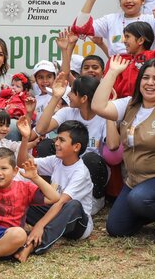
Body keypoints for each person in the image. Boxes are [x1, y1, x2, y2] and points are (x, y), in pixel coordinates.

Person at [92, 56, 155, 243]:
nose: (150, 83)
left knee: (139, 198)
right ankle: (153, 205)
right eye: (145, 77)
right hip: (135, 181)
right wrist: (112, 73)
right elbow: (98, 106)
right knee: (117, 228)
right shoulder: (130, 105)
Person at [15, 120, 94, 261]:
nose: (56, 143)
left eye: (61, 140)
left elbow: (61, 203)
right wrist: (25, 139)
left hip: (77, 225)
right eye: (56, 138)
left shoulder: (80, 172)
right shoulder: (56, 161)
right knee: (25, 196)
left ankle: (32, 245)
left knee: (73, 204)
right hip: (54, 214)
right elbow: (22, 164)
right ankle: (13, 234)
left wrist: (39, 225)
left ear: (76, 147)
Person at [34, 73, 109, 213]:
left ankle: (96, 198)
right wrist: (55, 96)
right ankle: (53, 192)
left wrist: (109, 112)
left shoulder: (103, 117)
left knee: (90, 158)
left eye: (73, 92)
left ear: (84, 98)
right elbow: (41, 129)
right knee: (45, 145)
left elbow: (113, 145)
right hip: (67, 163)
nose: (68, 95)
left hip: (91, 168)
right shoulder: (68, 111)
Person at [71, 0, 155, 57]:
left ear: (143, 0)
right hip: (116, 73)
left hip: (144, 72)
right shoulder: (110, 20)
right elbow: (80, 28)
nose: (128, 0)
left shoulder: (153, 20)